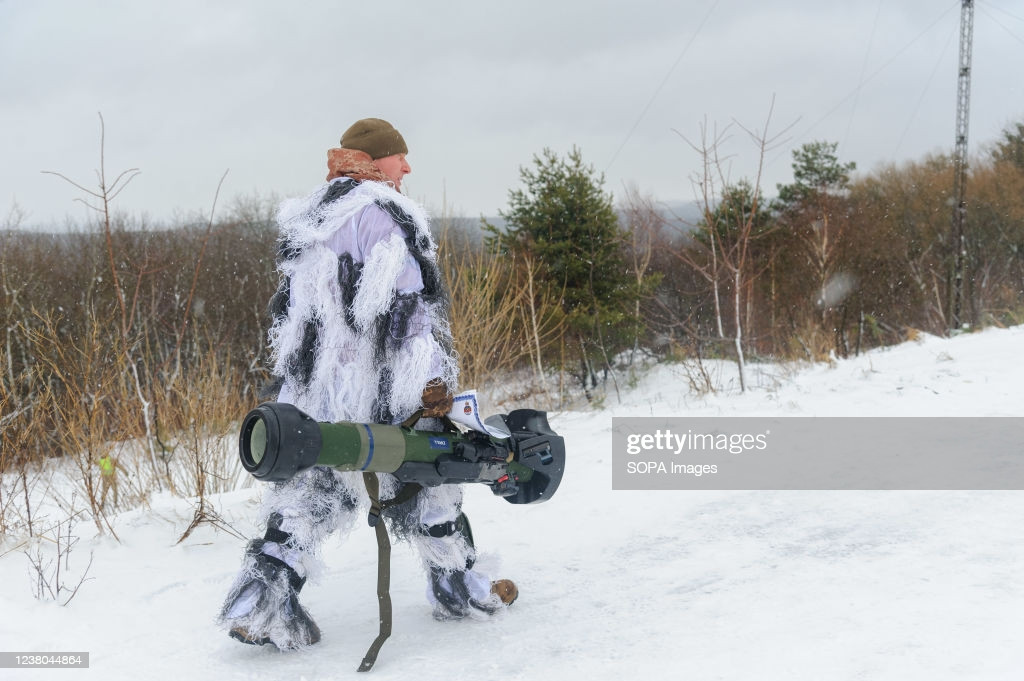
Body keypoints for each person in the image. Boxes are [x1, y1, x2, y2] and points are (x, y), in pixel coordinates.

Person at [219, 118, 517, 649]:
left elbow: (291, 320)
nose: (407, 167)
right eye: (400, 157)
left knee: (309, 494)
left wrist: (297, 388)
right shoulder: (384, 214)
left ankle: (259, 604)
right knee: (434, 476)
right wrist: (432, 388)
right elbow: (405, 317)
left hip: (313, 389)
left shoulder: (311, 217)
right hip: (381, 389)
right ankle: (460, 587)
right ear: (379, 161)